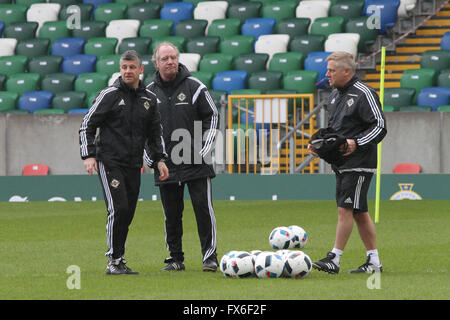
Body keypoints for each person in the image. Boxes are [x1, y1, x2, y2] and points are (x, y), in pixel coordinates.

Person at [79, 50, 169, 275]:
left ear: (141, 70)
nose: (127, 71)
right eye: (124, 67)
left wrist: (159, 160)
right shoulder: (109, 95)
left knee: (127, 212)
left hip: (133, 164)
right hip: (109, 161)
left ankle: (119, 260)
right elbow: (87, 125)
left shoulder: (149, 99)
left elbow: (154, 132)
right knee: (118, 209)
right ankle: (113, 261)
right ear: (120, 69)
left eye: (132, 67)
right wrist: (88, 155)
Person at [307, 51, 387, 274]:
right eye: (328, 70)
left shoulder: (364, 93)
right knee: (359, 211)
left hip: (359, 162)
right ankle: (373, 262)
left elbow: (380, 126)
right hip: (342, 164)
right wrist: (319, 145)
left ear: (346, 71)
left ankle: (334, 258)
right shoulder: (334, 95)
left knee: (345, 209)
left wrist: (357, 142)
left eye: (332, 70)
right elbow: (335, 133)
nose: (327, 74)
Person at [145, 42, 219, 272]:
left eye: (173, 57)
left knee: (203, 210)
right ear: (156, 63)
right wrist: (150, 156)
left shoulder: (195, 87)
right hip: (165, 163)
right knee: (171, 215)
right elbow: (140, 126)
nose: (170, 62)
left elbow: (213, 116)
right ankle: (175, 258)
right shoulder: (147, 92)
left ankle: (210, 257)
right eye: (165, 58)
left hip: (196, 161)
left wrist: (205, 148)